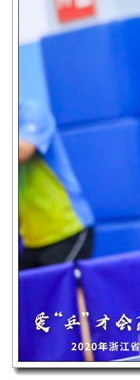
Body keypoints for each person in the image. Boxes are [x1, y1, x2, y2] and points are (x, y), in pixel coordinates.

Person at [18, 98, 95, 270]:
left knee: (65, 287)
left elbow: (22, 152)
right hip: (31, 241)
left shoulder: (32, 112)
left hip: (67, 231)